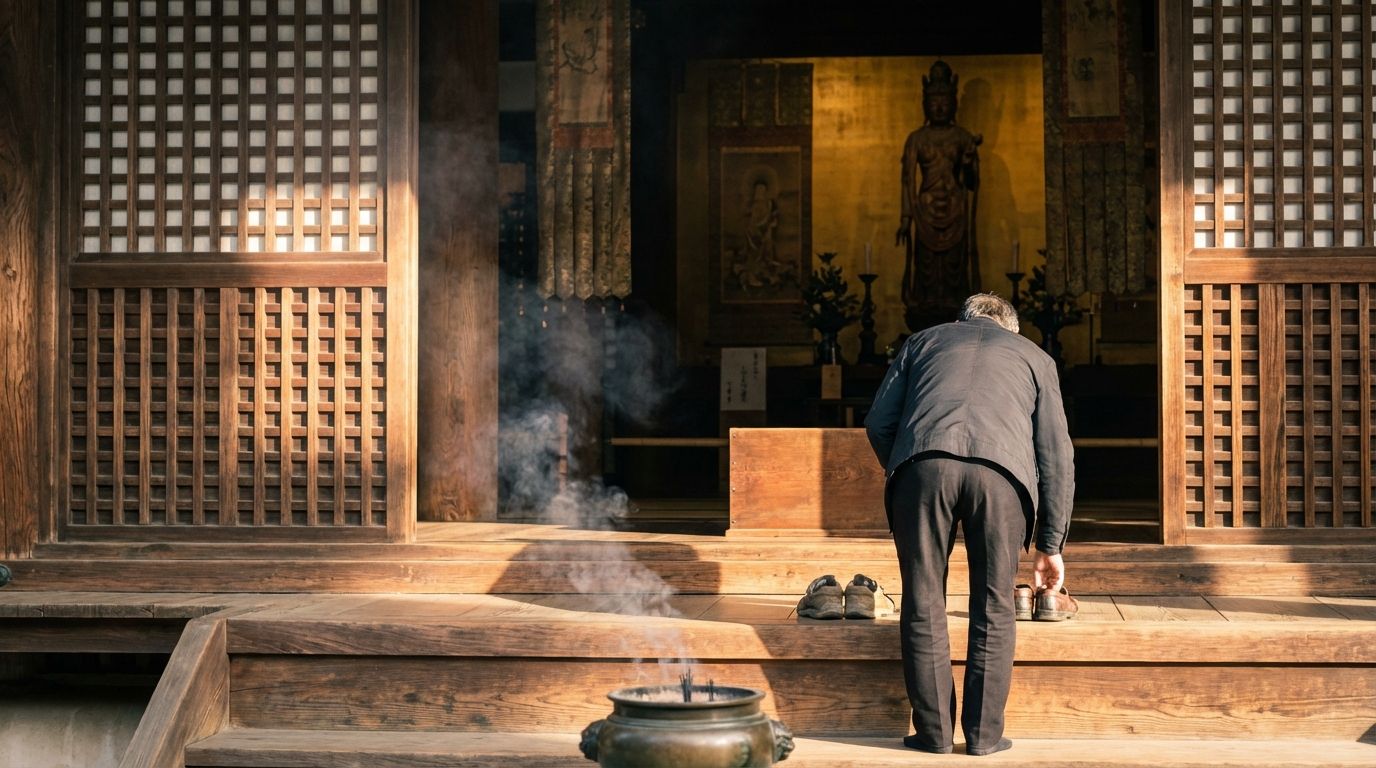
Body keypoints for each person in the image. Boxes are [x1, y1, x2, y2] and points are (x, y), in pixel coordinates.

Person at [863, 293, 1074, 756]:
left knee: (923, 601)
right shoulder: (1035, 357)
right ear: (1010, 329)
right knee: (995, 605)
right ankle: (983, 737)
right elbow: (1056, 455)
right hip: (1002, 477)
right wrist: (1050, 543)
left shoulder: (922, 342)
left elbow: (879, 423)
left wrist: (906, 465)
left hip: (923, 467)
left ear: (960, 321)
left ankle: (934, 735)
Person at [896, 60, 983, 334]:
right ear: (925, 103)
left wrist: (969, 162)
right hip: (926, 210)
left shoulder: (962, 136)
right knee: (927, 265)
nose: (940, 106)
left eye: (945, 100)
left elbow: (971, 184)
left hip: (955, 208)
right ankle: (929, 303)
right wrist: (906, 217)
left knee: (954, 265)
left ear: (954, 102)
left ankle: (954, 304)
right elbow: (908, 180)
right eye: (934, 100)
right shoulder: (916, 139)